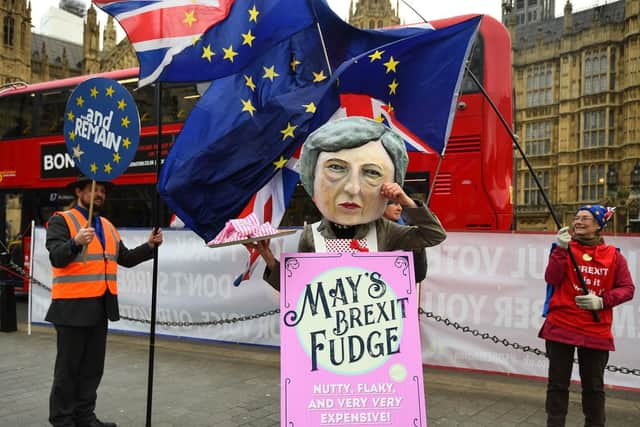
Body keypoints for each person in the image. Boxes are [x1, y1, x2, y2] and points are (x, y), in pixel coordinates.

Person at [249, 116, 446, 290]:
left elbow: (433, 235)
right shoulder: (312, 236)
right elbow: (300, 288)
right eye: (336, 168)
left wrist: (407, 201)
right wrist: (268, 257)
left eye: (371, 172)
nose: (352, 188)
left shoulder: (386, 231)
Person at [45, 177, 163, 427]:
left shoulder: (108, 226)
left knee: (91, 371)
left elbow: (126, 258)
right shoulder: (61, 220)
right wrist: (75, 242)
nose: (99, 195)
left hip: (100, 308)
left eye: (102, 192)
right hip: (71, 308)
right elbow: (57, 258)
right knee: (68, 371)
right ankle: (63, 420)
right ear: (79, 192)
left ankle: (85, 417)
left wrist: (149, 246)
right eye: (93, 190)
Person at [539, 205, 634, 427]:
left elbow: (627, 288)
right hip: (561, 325)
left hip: (595, 330)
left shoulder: (614, 256)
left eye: (585, 218)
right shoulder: (563, 248)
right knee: (557, 385)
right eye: (577, 218)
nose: (578, 222)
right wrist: (561, 249)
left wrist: (602, 301)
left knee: (593, 388)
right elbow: (551, 278)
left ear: (599, 225)